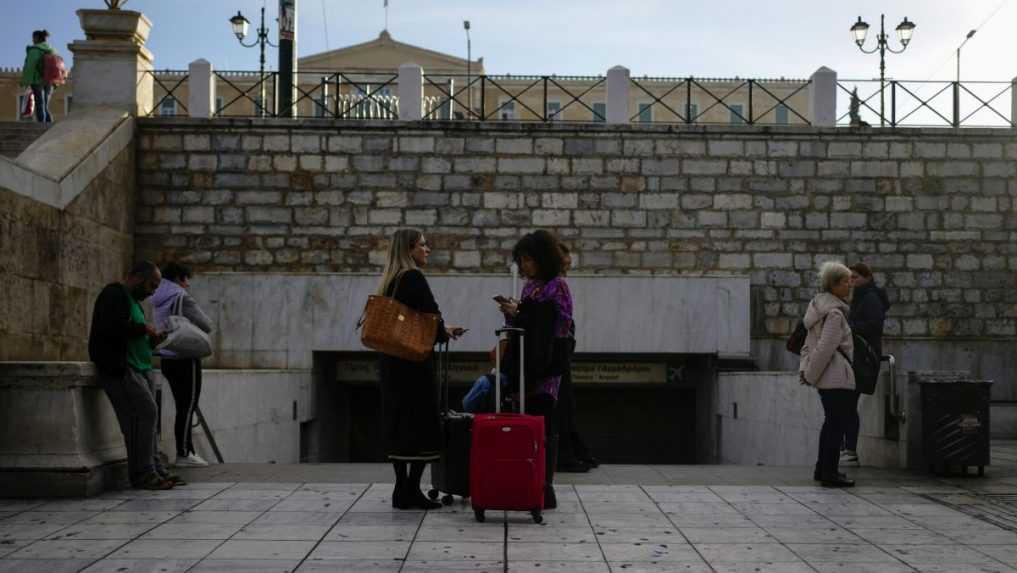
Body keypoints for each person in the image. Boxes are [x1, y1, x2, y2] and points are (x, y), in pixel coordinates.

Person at [376, 229, 465, 510]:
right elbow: (431, 315)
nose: (428, 250)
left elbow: (412, 321)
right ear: (410, 248)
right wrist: (444, 330)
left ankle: (401, 490)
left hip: (392, 363)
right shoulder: (413, 277)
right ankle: (411, 491)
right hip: (413, 367)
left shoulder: (390, 280)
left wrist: (442, 329)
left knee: (400, 424)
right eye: (424, 245)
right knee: (421, 425)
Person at [88, 261, 184, 490]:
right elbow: (111, 327)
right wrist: (144, 329)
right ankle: (143, 473)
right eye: (152, 284)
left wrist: (151, 339)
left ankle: (154, 468)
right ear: (136, 277)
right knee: (143, 415)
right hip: (121, 369)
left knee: (148, 419)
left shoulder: (135, 304)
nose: (153, 290)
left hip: (141, 368)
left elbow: (131, 334)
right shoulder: (114, 294)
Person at [496, 230, 573, 508]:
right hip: (524, 363)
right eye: (522, 261)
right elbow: (525, 320)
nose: (526, 266)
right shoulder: (530, 287)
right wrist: (513, 312)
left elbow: (559, 324)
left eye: (529, 260)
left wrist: (524, 314)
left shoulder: (557, 285)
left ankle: (544, 485)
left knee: (543, 423)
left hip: (546, 365)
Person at [798, 261, 856, 488]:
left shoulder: (817, 308)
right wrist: (810, 375)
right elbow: (824, 348)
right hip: (835, 377)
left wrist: (807, 371)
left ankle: (823, 469)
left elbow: (808, 345)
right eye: (844, 282)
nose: (849, 286)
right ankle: (829, 472)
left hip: (827, 377)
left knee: (831, 424)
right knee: (836, 425)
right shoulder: (834, 314)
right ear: (833, 285)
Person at [151, 262, 214, 468]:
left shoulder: (157, 295)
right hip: (185, 357)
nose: (187, 284)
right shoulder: (181, 296)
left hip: (167, 357)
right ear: (179, 278)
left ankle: (186, 451)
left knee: (182, 405)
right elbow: (207, 325)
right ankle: (184, 453)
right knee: (188, 406)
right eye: (186, 279)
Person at [841, 262, 891, 468]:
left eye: (855, 277)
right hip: (859, 357)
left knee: (849, 404)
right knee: (847, 404)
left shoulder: (869, 297)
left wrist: (849, 327)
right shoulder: (863, 297)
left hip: (864, 358)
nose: (852, 281)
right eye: (850, 278)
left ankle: (850, 450)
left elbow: (874, 326)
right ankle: (847, 449)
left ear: (867, 277)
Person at [553, 243, 598, 473]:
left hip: (558, 353)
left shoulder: (554, 284)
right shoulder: (554, 285)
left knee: (565, 406)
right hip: (556, 355)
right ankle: (568, 455)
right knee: (562, 406)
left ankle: (574, 452)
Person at [20, 30, 55, 125]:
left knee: (40, 103)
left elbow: (30, 66)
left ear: (37, 38)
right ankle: (50, 125)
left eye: (33, 37)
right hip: (49, 81)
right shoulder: (51, 50)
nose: (32, 39)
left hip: (37, 80)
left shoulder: (35, 50)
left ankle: (41, 125)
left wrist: (25, 81)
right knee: (45, 105)